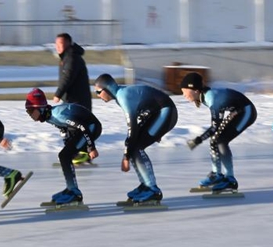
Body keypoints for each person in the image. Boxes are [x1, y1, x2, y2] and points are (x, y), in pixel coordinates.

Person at [94, 73, 177, 204]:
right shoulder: (120, 94)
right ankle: (145, 185)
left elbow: (132, 128)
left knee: (135, 147)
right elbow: (136, 125)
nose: (97, 95)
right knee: (132, 145)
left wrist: (126, 156)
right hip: (155, 113)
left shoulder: (123, 97)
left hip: (165, 111)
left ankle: (152, 189)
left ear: (107, 89)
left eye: (98, 92)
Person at [180, 72, 257, 192]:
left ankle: (230, 179)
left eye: (185, 91)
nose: (183, 95)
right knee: (215, 139)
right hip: (236, 111)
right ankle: (217, 174)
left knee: (221, 140)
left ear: (195, 90)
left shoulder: (213, 99)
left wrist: (199, 139)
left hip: (247, 111)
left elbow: (214, 127)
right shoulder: (205, 95)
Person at [25, 88, 102, 205]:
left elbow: (82, 127)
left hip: (91, 127)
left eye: (31, 111)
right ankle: (71, 189)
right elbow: (63, 127)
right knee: (65, 155)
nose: (30, 115)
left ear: (40, 109)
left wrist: (91, 148)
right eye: (28, 112)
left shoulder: (58, 115)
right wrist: (67, 143)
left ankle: (74, 193)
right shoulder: (49, 116)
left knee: (64, 156)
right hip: (83, 127)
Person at [53, 33, 93, 165]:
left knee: (74, 126)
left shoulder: (72, 58)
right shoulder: (67, 57)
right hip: (73, 99)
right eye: (56, 44)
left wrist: (58, 93)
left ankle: (81, 153)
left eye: (61, 44)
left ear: (68, 44)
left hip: (78, 100)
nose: (58, 47)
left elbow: (68, 77)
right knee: (72, 125)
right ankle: (82, 152)